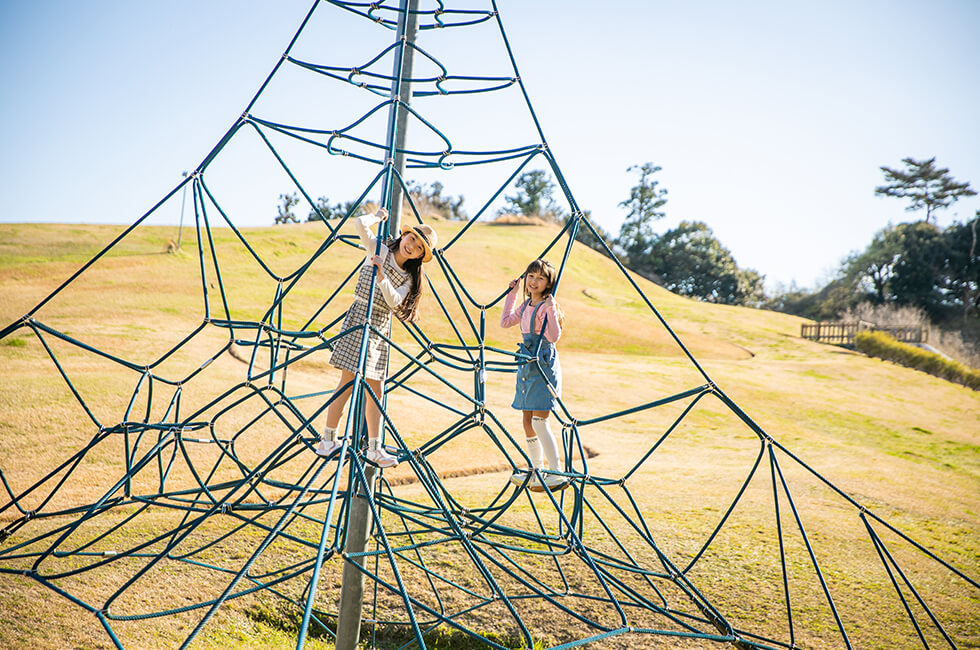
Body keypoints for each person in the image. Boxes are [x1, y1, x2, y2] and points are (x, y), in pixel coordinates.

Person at [315, 206, 438, 468]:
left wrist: (382, 274)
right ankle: (328, 439)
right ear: (404, 236)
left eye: (418, 247)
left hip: (380, 326)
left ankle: (374, 448)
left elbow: (394, 301)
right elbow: (360, 224)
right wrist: (379, 217)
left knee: (376, 389)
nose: (412, 246)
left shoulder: (407, 277)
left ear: (419, 256)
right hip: (361, 317)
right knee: (347, 382)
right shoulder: (379, 249)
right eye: (411, 239)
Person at [500, 258, 568, 490]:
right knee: (526, 420)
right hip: (527, 364)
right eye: (531, 276)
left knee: (540, 422)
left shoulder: (547, 307)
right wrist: (512, 294)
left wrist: (551, 309)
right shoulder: (526, 305)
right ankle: (536, 470)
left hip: (543, 364)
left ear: (549, 283)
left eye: (540, 278)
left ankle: (556, 471)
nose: (534, 281)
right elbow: (506, 322)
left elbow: (553, 337)